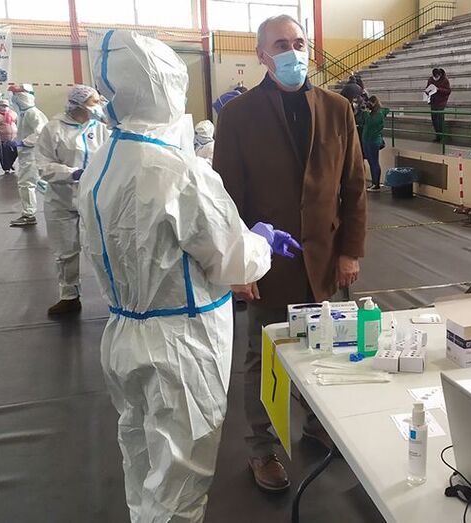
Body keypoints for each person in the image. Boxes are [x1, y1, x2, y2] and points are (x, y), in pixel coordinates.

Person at [78, 29, 298, 522]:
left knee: (141, 458)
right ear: (166, 88)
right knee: (180, 480)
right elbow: (235, 263)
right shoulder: (179, 171)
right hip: (181, 347)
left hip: (123, 334)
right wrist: (260, 238)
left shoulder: (101, 163)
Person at [214, 14, 367, 493]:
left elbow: (354, 187)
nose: (293, 51)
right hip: (269, 260)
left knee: (325, 347)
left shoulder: (338, 108)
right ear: (261, 54)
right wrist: (240, 263)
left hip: (325, 257)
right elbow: (227, 198)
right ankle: (261, 447)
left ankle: (318, 424)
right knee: (265, 357)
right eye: (281, 44)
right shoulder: (238, 115)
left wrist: (350, 251)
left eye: (299, 42)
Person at [35, 85, 110, 313]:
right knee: (65, 249)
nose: (100, 106)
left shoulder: (101, 128)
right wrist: (73, 173)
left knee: (104, 246)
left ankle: (115, 296)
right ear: (78, 104)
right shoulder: (54, 129)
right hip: (62, 198)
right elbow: (43, 165)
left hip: (95, 197)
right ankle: (69, 296)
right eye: (95, 102)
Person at [10, 88, 49, 228]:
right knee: (40, 183)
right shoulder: (24, 113)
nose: (13, 99)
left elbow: (41, 132)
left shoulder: (32, 113)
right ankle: (68, 203)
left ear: (21, 98)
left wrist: (23, 142)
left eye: (15, 96)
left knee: (26, 183)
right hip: (27, 154)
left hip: (31, 154)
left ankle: (29, 215)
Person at [359, 95, 389, 191]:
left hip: (373, 140)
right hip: (367, 140)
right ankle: (374, 183)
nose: (368, 105)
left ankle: (376, 184)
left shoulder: (379, 114)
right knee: (371, 162)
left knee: (374, 162)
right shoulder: (372, 113)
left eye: (370, 103)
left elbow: (370, 123)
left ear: (374, 103)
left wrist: (365, 112)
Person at [0, 99, 18, 174]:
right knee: (4, 154)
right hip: (0, 139)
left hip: (13, 138)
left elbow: (16, 122)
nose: (4, 107)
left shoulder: (13, 113)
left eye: (6, 106)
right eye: (2, 106)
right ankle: (6, 168)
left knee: (15, 152)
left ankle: (10, 164)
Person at [426, 67, 451, 142]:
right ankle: (438, 136)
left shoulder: (444, 80)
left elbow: (448, 91)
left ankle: (443, 137)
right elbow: (427, 88)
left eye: (437, 77)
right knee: (434, 120)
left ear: (440, 75)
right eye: (434, 77)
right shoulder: (430, 79)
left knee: (440, 119)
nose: (435, 78)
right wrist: (427, 92)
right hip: (433, 102)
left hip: (441, 102)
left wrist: (438, 89)